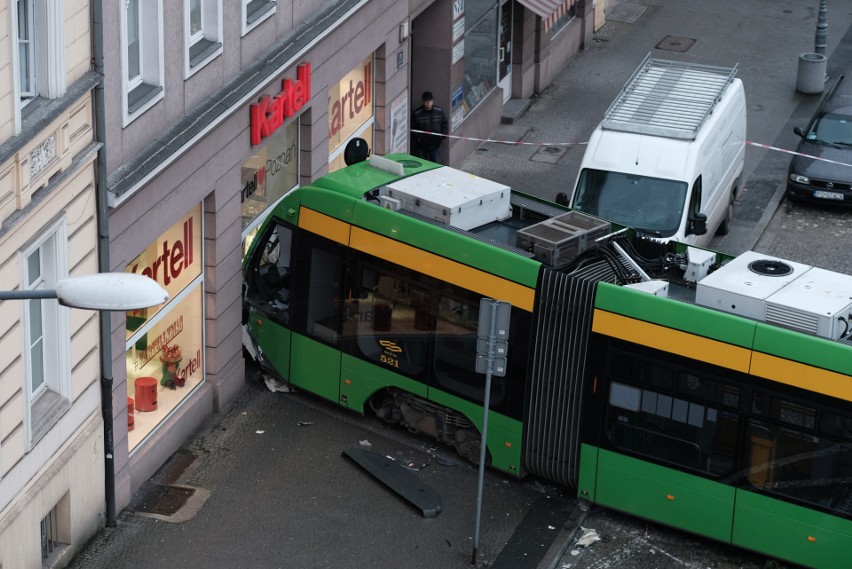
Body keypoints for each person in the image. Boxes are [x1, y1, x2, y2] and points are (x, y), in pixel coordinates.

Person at [412, 91, 448, 163]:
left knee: (437, 165)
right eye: (427, 101)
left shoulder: (439, 111)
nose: (429, 103)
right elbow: (414, 127)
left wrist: (443, 135)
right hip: (422, 145)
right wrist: (419, 138)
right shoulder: (417, 113)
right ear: (423, 102)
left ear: (432, 101)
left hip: (435, 144)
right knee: (421, 164)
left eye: (430, 101)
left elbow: (444, 123)